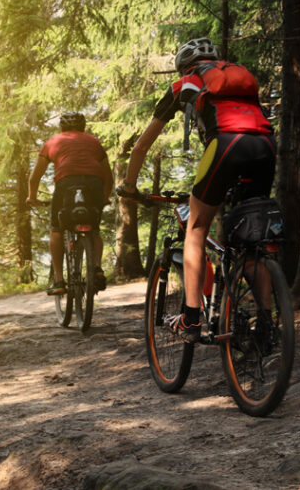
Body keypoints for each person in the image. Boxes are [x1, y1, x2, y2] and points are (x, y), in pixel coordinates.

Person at [116, 38, 276, 342]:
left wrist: (130, 186)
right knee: (253, 238)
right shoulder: (238, 77)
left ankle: (191, 319)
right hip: (265, 146)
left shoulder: (185, 84)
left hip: (227, 146)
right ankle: (266, 323)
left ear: (183, 66)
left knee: (196, 229)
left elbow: (140, 147)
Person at [27, 112, 112, 296]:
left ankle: (58, 280)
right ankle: (97, 268)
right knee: (94, 228)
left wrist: (32, 197)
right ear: (83, 126)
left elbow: (35, 177)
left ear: (62, 127)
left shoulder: (53, 141)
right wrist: (104, 197)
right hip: (95, 183)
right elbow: (108, 176)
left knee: (57, 229)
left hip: (66, 182)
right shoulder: (94, 142)